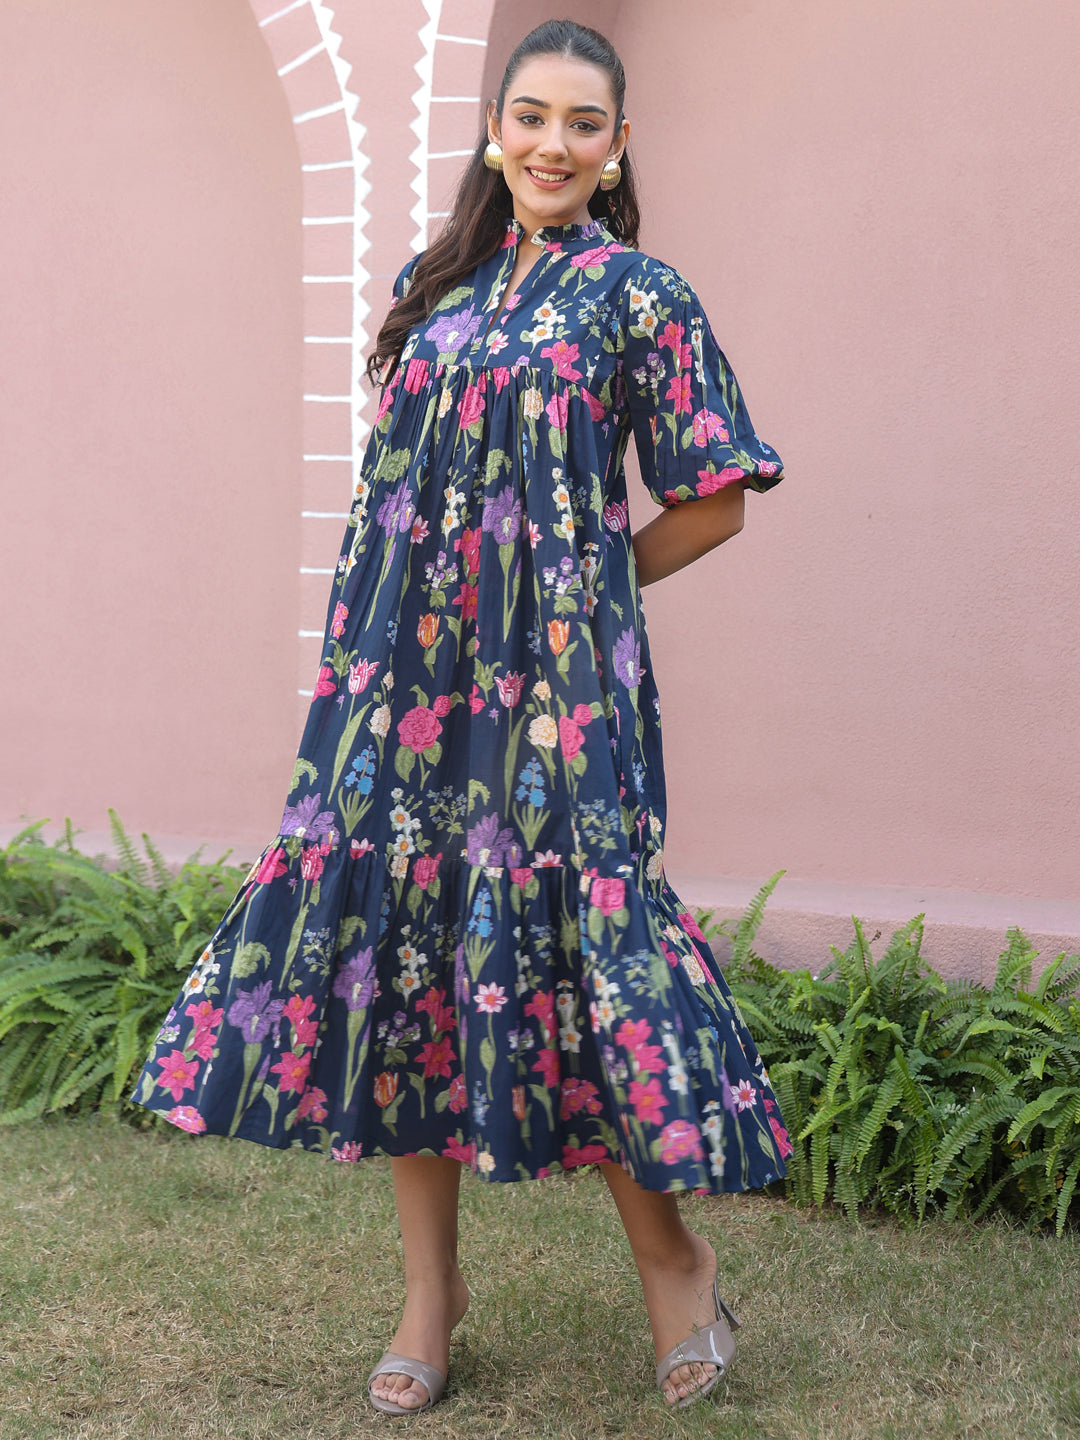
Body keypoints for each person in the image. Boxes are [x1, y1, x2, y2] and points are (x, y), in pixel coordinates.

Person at [131, 18, 790, 1414]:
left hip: (559, 696)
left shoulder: (640, 298)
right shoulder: (431, 290)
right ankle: (432, 1291)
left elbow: (713, 499)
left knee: (577, 942)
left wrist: (582, 586)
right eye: (532, 117)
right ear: (498, 130)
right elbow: (401, 498)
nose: (554, 144)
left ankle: (673, 1261)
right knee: (405, 952)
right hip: (402, 687)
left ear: (619, 150)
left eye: (584, 125)